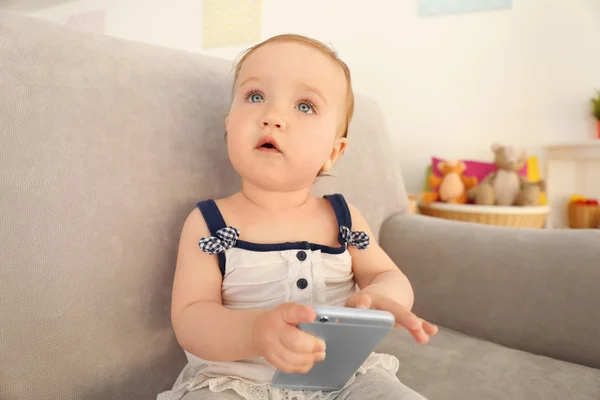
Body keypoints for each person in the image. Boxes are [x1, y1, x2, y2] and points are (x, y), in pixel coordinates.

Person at [157, 33, 438, 400]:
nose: (272, 117)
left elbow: (388, 275)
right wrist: (255, 331)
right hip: (235, 385)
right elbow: (191, 318)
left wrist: (380, 297)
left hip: (340, 381)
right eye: (255, 96)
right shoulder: (210, 223)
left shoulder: (343, 220)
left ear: (333, 152)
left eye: (304, 106)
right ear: (229, 126)